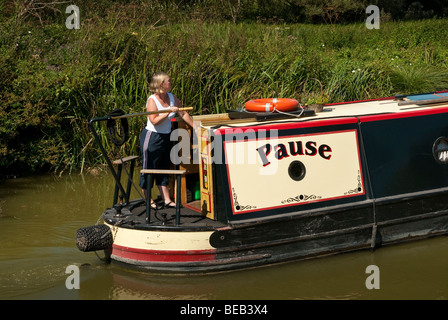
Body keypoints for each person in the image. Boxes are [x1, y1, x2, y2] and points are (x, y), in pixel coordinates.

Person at [139, 72, 194, 209]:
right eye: (168, 81)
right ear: (161, 84)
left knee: (164, 166)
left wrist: (196, 128)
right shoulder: (152, 100)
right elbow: (154, 120)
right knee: (149, 168)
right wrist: (168, 111)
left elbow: (183, 113)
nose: (171, 82)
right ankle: (148, 200)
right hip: (153, 137)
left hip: (167, 136)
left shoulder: (171, 97)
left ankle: (166, 199)